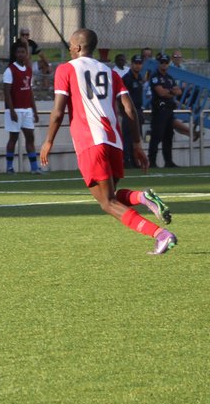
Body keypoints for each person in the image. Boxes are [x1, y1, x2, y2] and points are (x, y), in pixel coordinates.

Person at [39, 28, 177, 255]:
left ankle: (160, 234)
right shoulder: (110, 72)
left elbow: (58, 111)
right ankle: (142, 197)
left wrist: (48, 141)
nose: (69, 48)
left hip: (90, 142)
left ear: (78, 47)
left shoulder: (66, 69)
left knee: (107, 203)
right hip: (114, 141)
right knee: (110, 196)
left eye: (71, 44)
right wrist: (136, 144)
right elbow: (129, 109)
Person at [3, 43, 42, 174]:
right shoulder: (10, 70)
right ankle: (9, 167)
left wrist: (34, 111)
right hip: (15, 110)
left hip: (27, 110)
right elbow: (7, 92)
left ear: (26, 54)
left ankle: (34, 168)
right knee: (13, 138)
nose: (21, 54)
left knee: (30, 137)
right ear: (15, 54)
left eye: (23, 52)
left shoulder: (28, 70)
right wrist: (11, 110)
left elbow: (30, 91)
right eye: (18, 52)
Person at [148, 53, 182, 168]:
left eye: (166, 62)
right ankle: (152, 161)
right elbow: (161, 93)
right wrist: (171, 91)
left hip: (169, 109)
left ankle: (168, 161)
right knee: (156, 136)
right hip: (159, 110)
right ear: (158, 63)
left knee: (168, 136)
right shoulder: (155, 77)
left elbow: (179, 91)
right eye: (162, 62)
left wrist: (168, 91)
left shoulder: (169, 78)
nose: (164, 64)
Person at [120, 54, 146, 168]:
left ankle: (135, 161)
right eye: (136, 63)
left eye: (140, 63)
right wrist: (123, 112)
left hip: (138, 111)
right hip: (129, 112)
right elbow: (121, 97)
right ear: (132, 64)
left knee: (136, 137)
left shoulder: (140, 77)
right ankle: (127, 160)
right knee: (127, 137)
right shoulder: (126, 78)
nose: (138, 66)